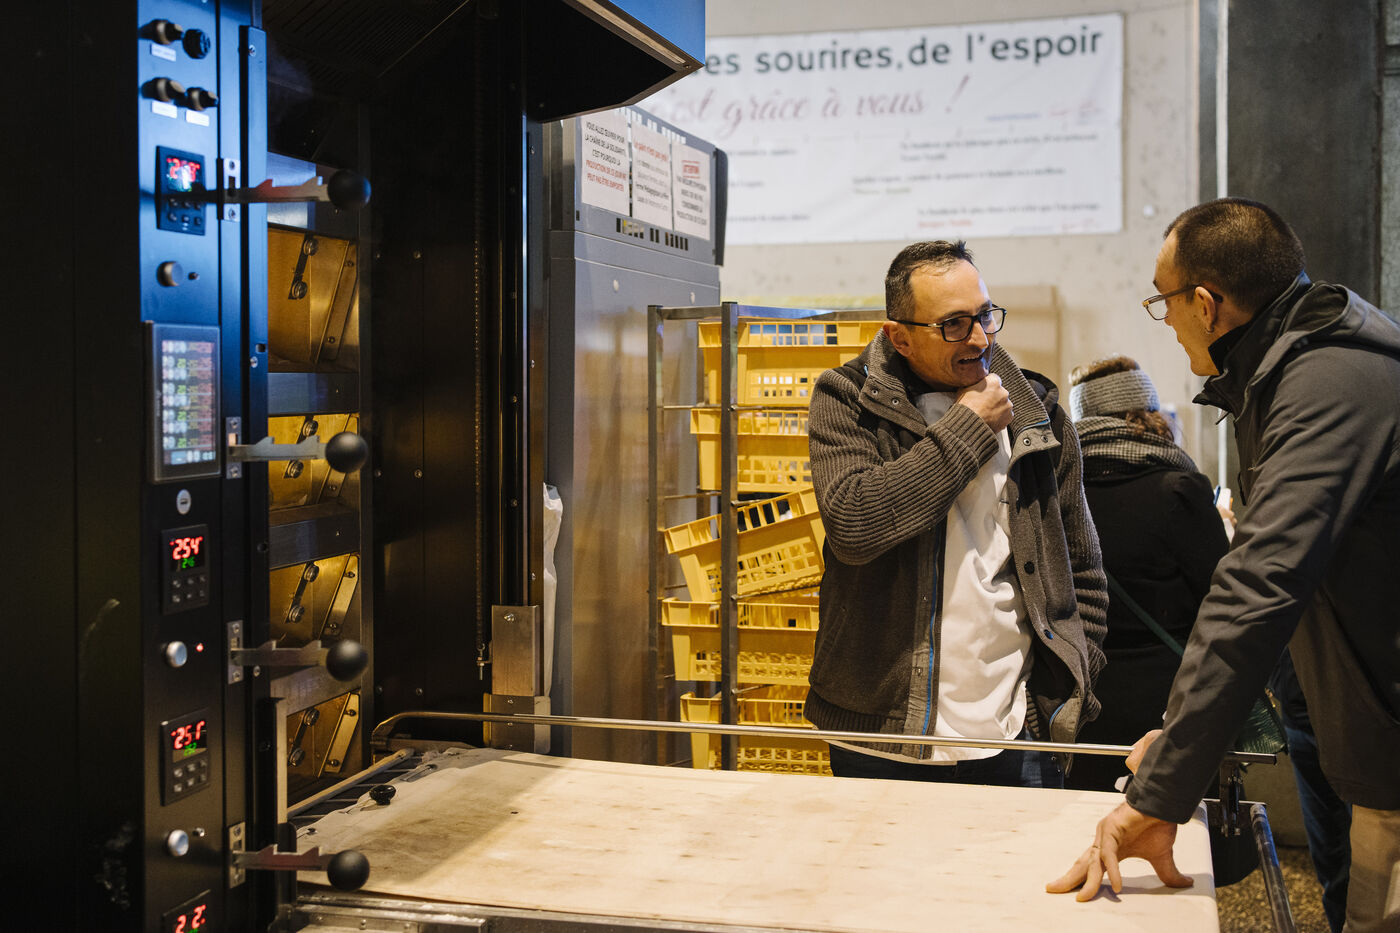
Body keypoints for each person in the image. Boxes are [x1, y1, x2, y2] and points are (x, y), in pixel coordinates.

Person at [1047, 198, 1400, 933]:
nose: (1165, 322)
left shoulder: (1324, 380)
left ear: (1204, 304)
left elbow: (1255, 587)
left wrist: (1160, 792)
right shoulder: (1288, 371)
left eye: (1163, 301)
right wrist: (1181, 735)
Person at [805, 239, 1108, 788]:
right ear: (899, 336)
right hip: (880, 736)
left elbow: (1081, 567)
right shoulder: (847, 398)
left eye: (985, 315)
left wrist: (1069, 687)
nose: (980, 337)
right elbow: (853, 524)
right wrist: (968, 427)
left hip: (1018, 733)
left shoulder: (1037, 411)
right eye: (953, 324)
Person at [1062, 356, 1229, 795]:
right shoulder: (1178, 489)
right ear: (1147, 413)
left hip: (1079, 694)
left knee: (1084, 816)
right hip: (1167, 700)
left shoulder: (1058, 494)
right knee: (1176, 819)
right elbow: (1221, 597)